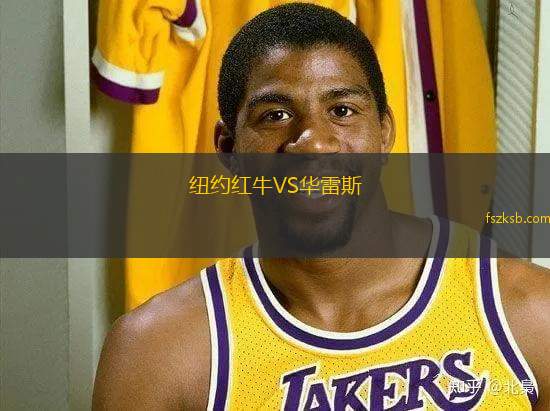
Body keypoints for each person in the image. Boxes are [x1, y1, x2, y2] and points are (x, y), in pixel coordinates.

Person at [92, 4, 550, 410]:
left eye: (342, 110)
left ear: (385, 132)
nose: (312, 140)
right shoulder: (156, 355)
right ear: (229, 149)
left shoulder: (528, 312)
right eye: (275, 115)